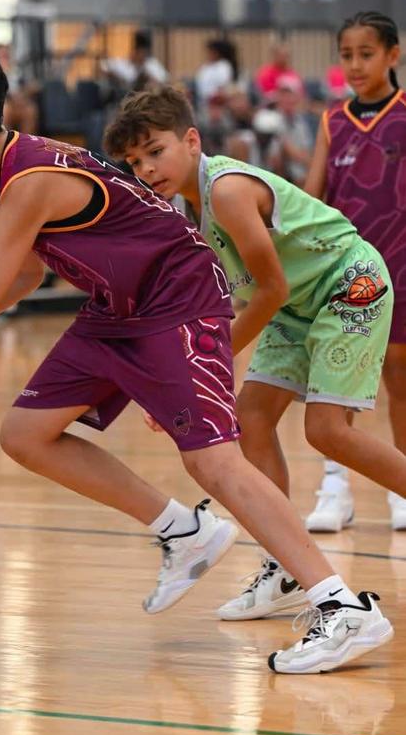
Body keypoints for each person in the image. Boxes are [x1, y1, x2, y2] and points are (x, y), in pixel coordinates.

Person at [0, 41, 393, 675]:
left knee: (215, 462)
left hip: (177, 300)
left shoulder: (28, 183)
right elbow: (20, 280)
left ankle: (342, 606)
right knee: (26, 433)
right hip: (119, 311)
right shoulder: (6, 174)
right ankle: (183, 531)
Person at [103, 84, 402, 645]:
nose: (146, 168)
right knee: (251, 422)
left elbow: (268, 289)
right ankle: (286, 563)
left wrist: (209, 367)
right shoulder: (187, 208)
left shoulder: (231, 190)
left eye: (155, 152)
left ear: (191, 140)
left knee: (328, 432)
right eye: (136, 161)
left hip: (348, 285)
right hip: (296, 302)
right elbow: (229, 301)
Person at [304, 11, 406, 532]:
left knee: (398, 377)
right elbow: (311, 197)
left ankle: (400, 492)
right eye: (347, 55)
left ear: (393, 54)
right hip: (347, 272)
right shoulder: (332, 120)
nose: (355, 64)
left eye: (366, 54)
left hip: (403, 264)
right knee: (334, 376)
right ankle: (335, 488)